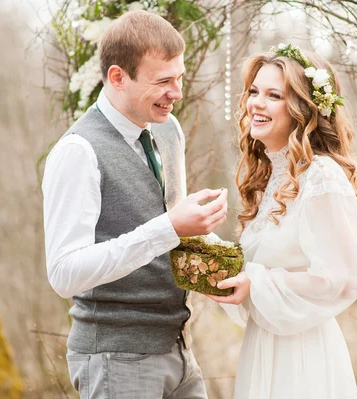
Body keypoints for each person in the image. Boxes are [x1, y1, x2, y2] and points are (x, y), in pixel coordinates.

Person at [42, 10, 227, 399]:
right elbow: (63, 274)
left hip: (179, 349)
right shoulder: (78, 152)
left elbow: (168, 231)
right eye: (162, 81)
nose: (176, 92)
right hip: (115, 360)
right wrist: (170, 228)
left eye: (178, 77)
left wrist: (220, 260)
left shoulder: (167, 128)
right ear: (117, 77)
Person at [206, 43, 357, 398]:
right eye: (253, 92)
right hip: (263, 348)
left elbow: (341, 280)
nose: (256, 103)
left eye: (273, 95)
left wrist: (257, 283)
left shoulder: (322, 176)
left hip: (302, 358)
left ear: (301, 109)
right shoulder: (272, 179)